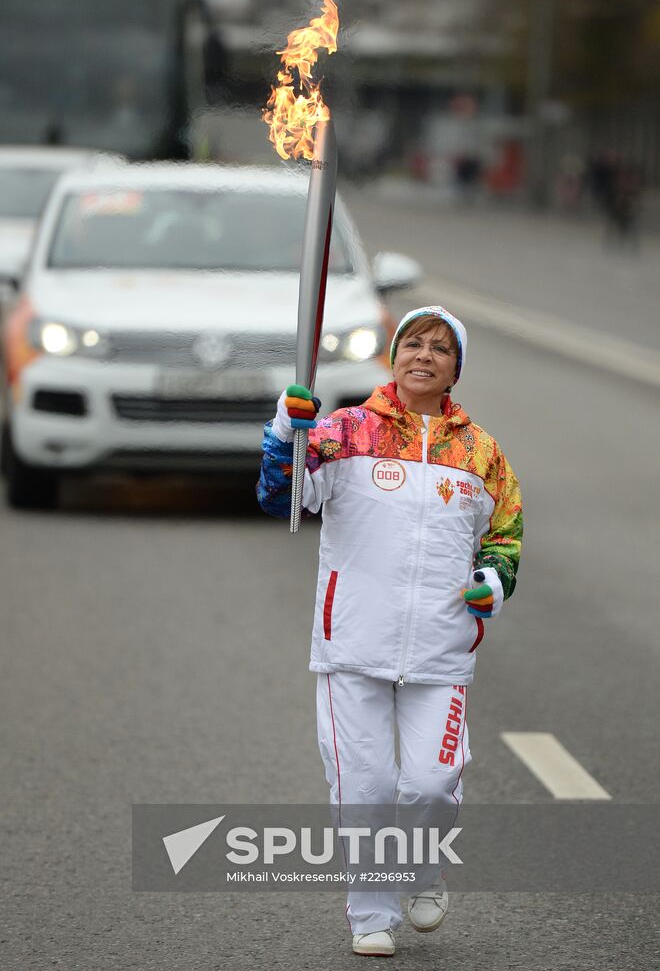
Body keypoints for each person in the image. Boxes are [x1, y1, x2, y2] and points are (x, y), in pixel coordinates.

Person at [257, 305, 522, 957]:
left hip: (442, 646)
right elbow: (279, 496)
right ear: (393, 353)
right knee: (366, 787)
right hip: (352, 643)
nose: (423, 355)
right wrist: (284, 434)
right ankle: (371, 914)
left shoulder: (481, 454)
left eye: (440, 347)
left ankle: (425, 866)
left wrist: (492, 581)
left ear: (456, 368)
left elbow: (505, 538)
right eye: (413, 343)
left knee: (430, 784)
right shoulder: (344, 430)